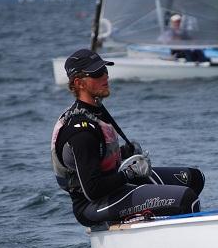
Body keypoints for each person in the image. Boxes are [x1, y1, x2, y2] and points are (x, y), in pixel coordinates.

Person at [51, 48, 205, 226]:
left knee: (194, 178)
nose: (105, 77)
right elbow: (92, 190)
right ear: (79, 83)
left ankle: (157, 226)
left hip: (115, 185)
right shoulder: (80, 130)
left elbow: (99, 156)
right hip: (92, 204)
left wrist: (124, 153)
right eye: (97, 73)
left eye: (105, 70)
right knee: (186, 198)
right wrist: (130, 173)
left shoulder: (95, 111)